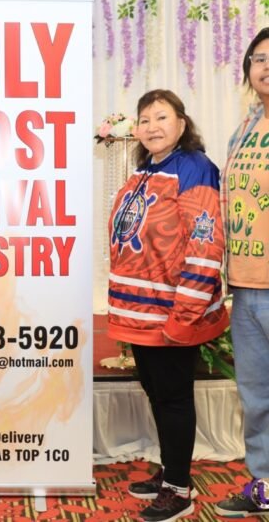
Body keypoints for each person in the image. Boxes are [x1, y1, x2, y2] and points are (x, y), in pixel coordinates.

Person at [107, 89, 229, 522]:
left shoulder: (195, 168)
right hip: (143, 314)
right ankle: (171, 471)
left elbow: (205, 243)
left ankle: (179, 491)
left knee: (173, 398)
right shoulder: (146, 169)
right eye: (144, 119)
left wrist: (185, 314)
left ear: (182, 122)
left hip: (172, 312)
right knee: (158, 394)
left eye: (161, 117)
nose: (151, 126)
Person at [214, 28, 269, 518]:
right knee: (256, 397)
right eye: (259, 58)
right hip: (247, 285)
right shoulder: (246, 128)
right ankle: (263, 484)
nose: (266, 66)